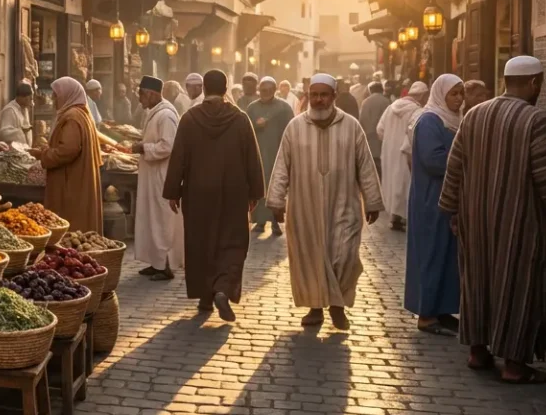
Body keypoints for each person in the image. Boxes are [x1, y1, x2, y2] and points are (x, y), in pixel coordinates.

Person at [440, 56, 546, 384]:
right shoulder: (535, 120)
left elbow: (455, 167)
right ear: (535, 83)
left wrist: (452, 210)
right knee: (517, 288)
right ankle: (515, 367)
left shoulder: (474, 115)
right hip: (517, 224)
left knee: (477, 283)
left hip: (475, 222)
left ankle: (478, 352)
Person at [266, 75, 384, 330]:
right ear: (308, 96)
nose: (318, 100)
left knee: (344, 254)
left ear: (334, 96)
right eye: (314, 95)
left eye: (324, 95)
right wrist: (276, 200)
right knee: (310, 257)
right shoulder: (295, 127)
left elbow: (365, 165)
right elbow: (282, 166)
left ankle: (338, 305)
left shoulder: (351, 126)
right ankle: (316, 307)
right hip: (304, 207)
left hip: (344, 205)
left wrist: (372, 200)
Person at [162, 71, 265, 322]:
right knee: (233, 241)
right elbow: (252, 157)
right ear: (226, 87)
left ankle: (206, 296)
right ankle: (223, 288)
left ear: (205, 89)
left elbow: (179, 158)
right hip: (233, 192)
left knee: (201, 243)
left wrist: (173, 191)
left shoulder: (190, 118)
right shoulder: (240, 119)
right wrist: (255, 192)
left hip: (197, 192)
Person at [403, 74, 464, 336]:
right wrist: (466, 161)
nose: (459, 99)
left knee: (446, 256)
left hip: (446, 199)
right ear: (441, 94)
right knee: (431, 253)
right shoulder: (429, 120)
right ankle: (426, 314)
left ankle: (441, 310)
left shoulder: (451, 120)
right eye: (454, 93)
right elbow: (433, 159)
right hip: (431, 200)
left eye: (461, 93)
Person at [33, 77, 103, 235]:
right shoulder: (81, 114)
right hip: (77, 177)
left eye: (56, 95)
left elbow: (68, 150)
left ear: (67, 95)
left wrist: (43, 154)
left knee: (71, 225)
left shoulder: (72, 116)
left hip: (71, 181)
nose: (54, 99)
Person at [131, 76, 183, 280]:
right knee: (150, 218)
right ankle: (155, 262)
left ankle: (165, 265)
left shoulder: (167, 115)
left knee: (161, 220)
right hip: (151, 174)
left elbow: (168, 146)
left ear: (152, 94)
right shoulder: (154, 112)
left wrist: (143, 147)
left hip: (161, 175)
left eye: (141, 95)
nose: (140, 100)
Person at [245, 76, 294, 236]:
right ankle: (259, 221)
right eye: (262, 90)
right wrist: (255, 125)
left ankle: (275, 221)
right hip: (257, 154)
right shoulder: (252, 108)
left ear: (274, 90)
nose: (264, 93)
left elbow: (291, 130)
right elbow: (245, 129)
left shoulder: (284, 108)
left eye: (268, 90)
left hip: (276, 153)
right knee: (258, 186)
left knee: (276, 187)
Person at [378, 81, 428, 231]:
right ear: (422, 95)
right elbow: (415, 134)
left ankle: (395, 217)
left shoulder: (390, 108)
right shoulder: (418, 111)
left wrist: (389, 141)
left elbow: (379, 129)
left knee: (393, 183)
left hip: (389, 151)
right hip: (406, 152)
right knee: (405, 184)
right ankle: (404, 217)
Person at [359, 82, 390, 175]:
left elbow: (361, 120)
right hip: (383, 138)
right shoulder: (386, 101)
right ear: (381, 90)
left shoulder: (365, 102)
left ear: (370, 91)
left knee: (372, 163)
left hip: (369, 136)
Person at [0, 82, 34, 147]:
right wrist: (21, 131)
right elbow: (3, 134)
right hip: (11, 152)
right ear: (23, 97)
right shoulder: (9, 110)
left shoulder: (25, 109)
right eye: (30, 98)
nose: (31, 101)